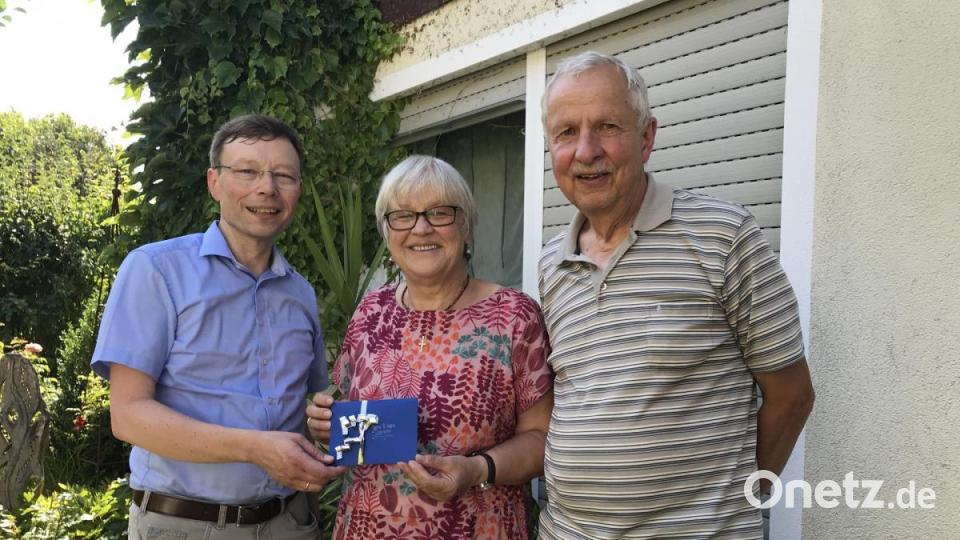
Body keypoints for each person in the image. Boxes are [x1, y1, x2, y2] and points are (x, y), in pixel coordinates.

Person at [537, 51, 815, 539]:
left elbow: (791, 397)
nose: (585, 151)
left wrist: (739, 503)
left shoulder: (724, 236)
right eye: (565, 133)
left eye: (606, 126)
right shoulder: (550, 265)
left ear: (647, 137)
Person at [92, 114, 344, 539]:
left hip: (290, 523)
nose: (267, 187)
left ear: (298, 190)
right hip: (185, 526)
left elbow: (306, 411)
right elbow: (128, 416)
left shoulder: (301, 294)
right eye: (248, 171)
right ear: (214, 182)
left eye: (284, 175)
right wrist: (255, 448)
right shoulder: (156, 270)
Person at [306, 155, 554, 539]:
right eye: (402, 215)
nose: (421, 228)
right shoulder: (370, 312)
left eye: (439, 213)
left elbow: (541, 439)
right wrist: (327, 424)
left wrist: (477, 469)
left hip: (476, 528)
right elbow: (352, 416)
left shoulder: (513, 317)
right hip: (369, 527)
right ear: (387, 232)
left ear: (467, 227)